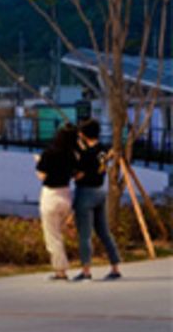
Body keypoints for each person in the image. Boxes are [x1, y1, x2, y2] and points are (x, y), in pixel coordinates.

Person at [72, 119, 123, 281]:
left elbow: (78, 175)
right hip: (100, 191)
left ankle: (86, 270)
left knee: (85, 234)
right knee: (104, 232)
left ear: (84, 134)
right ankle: (115, 266)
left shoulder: (86, 155)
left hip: (85, 193)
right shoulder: (103, 150)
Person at [34, 124, 78, 281]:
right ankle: (64, 265)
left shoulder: (49, 152)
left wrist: (39, 161)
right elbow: (75, 174)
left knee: (53, 236)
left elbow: (41, 176)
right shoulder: (72, 155)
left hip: (51, 196)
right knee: (60, 234)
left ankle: (61, 270)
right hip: (66, 195)